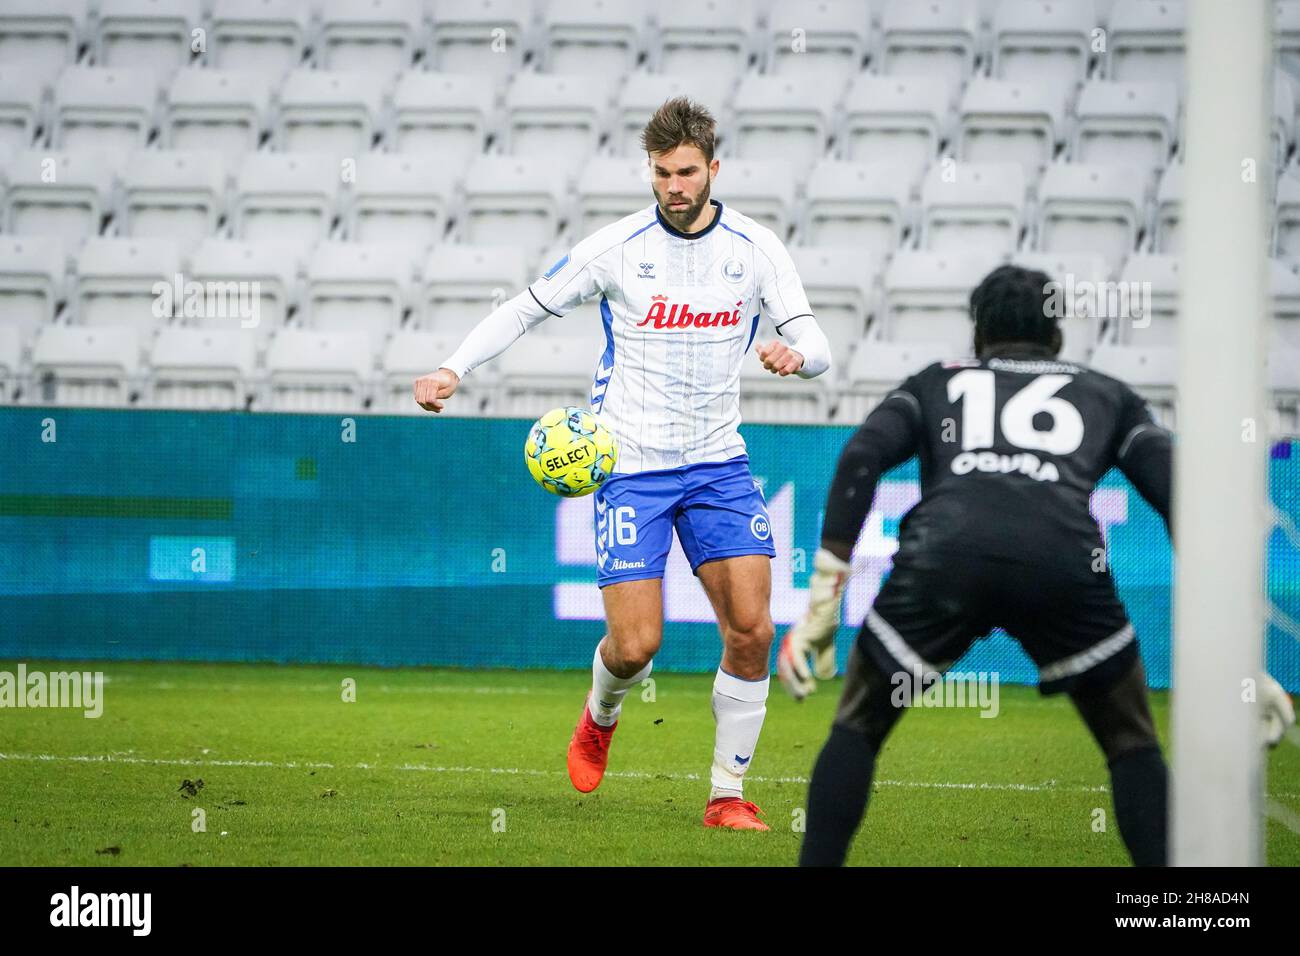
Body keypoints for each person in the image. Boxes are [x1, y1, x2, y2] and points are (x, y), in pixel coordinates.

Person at [778, 263, 1295, 865]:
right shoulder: (1106, 393)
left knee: (858, 725)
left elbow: (861, 458)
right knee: (1131, 741)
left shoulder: (933, 383)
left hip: (944, 559)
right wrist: (1236, 650)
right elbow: (1181, 495)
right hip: (1064, 563)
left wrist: (822, 602)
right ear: (1057, 334)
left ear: (978, 333)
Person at [414, 97, 832, 831]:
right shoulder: (616, 246)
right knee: (637, 646)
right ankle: (600, 714)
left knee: (753, 629)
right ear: (651, 169)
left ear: (713, 168)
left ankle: (726, 796)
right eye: (664, 173)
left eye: (688, 172)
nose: (675, 186)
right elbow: (525, 308)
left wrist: (795, 356)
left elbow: (820, 347)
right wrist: (452, 369)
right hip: (630, 465)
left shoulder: (756, 249)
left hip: (718, 466)